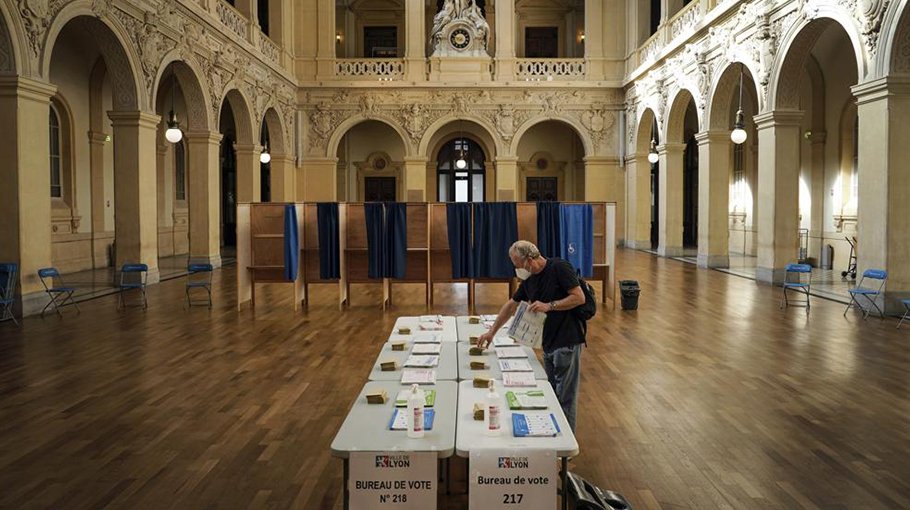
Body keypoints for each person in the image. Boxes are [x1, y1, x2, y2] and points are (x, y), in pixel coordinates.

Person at [477, 240, 586, 431]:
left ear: (529, 260)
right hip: (548, 343)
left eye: (518, 264)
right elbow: (511, 305)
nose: (517, 269)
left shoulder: (559, 267)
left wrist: (549, 305)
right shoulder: (529, 280)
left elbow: (578, 297)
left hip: (567, 341)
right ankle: (553, 437)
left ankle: (565, 452)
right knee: (552, 394)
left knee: (566, 398)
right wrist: (491, 332)